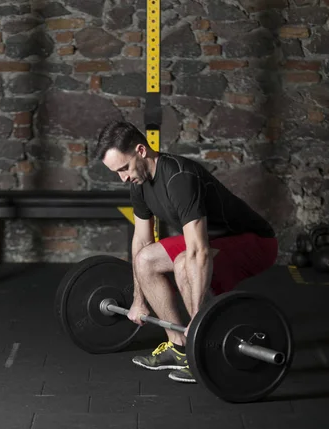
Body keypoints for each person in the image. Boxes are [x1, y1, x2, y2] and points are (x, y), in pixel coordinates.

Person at [94, 121, 278, 383]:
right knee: (145, 260)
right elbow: (142, 242)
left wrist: (198, 320)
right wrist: (138, 298)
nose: (122, 177)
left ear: (141, 151)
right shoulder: (139, 184)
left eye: (124, 168)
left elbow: (198, 252)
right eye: (117, 172)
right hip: (213, 240)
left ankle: (202, 350)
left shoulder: (180, 177)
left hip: (254, 242)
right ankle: (180, 347)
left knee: (184, 263)